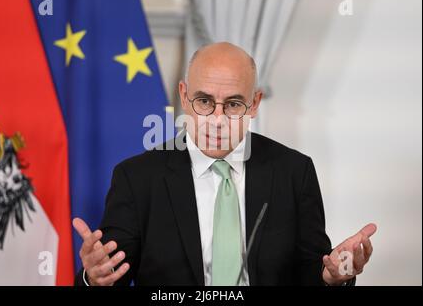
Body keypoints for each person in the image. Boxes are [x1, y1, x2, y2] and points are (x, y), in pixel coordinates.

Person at [73, 42, 376, 286]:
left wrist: (332, 277)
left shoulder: (294, 173)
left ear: (254, 103)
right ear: (184, 95)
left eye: (233, 104)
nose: (217, 120)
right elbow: (111, 272)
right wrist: (94, 280)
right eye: (204, 101)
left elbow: (312, 271)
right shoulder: (137, 178)